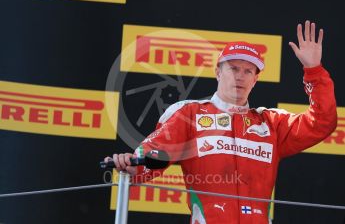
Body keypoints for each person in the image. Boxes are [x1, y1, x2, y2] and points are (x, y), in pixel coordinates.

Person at [104, 21, 337, 224]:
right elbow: (155, 155)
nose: (239, 76)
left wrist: (313, 70)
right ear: (218, 72)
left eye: (248, 71)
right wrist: (134, 166)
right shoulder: (190, 114)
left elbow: (322, 122)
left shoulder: (271, 123)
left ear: (255, 80)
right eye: (233, 68)